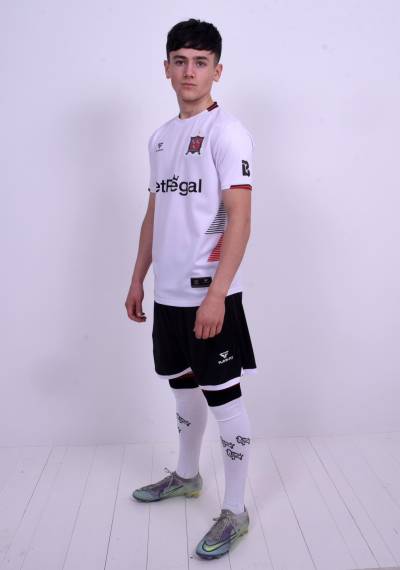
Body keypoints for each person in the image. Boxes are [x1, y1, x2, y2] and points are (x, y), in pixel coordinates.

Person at [125, 18, 257, 560]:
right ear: (166, 68)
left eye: (201, 62)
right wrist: (138, 277)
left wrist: (216, 294)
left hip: (209, 294)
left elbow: (238, 217)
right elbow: (155, 212)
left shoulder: (228, 132)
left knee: (223, 398)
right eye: (180, 60)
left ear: (217, 71)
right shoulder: (160, 137)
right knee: (182, 387)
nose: (189, 71)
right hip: (168, 295)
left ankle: (237, 509)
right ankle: (186, 475)